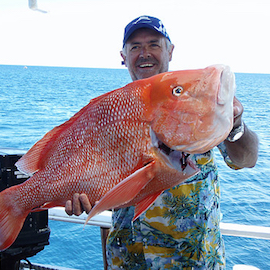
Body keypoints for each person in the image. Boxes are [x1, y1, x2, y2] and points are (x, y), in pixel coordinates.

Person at [65, 15, 259, 269]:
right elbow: (93, 180)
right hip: (127, 259)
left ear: (170, 50)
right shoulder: (108, 115)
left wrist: (235, 126)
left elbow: (247, 159)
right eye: (135, 47)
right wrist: (81, 199)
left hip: (193, 262)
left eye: (154, 44)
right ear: (123, 56)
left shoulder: (197, 101)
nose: (145, 53)